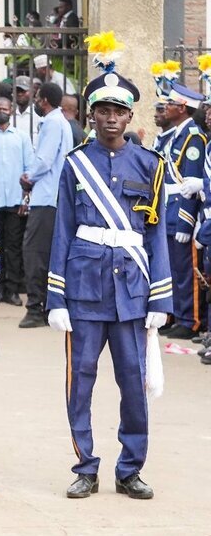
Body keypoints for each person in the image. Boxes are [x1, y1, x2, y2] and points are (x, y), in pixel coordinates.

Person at [47, 33, 169, 500]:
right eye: (103, 110)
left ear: (130, 115)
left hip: (132, 291)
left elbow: (154, 234)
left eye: (119, 111)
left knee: (133, 386)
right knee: (80, 382)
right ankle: (85, 466)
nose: (111, 118)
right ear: (92, 114)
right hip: (82, 288)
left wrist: (160, 296)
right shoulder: (76, 165)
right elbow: (62, 231)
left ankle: (130, 468)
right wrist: (55, 296)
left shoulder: (151, 165)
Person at [18, 81, 74, 328]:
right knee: (47, 253)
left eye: (38, 99)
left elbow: (45, 159)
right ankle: (47, 304)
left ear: (45, 101)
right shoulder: (60, 122)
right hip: (51, 197)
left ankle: (35, 308)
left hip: (46, 197)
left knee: (34, 253)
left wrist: (29, 176)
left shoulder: (52, 122)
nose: (36, 103)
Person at [153, 83, 205, 339]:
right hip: (168, 210)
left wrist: (186, 223)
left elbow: (191, 184)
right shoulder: (176, 134)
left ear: (183, 108)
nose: (166, 108)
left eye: (171, 104)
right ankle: (175, 315)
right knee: (173, 270)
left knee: (186, 271)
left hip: (181, 213)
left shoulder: (194, 138)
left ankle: (190, 319)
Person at [0, 95, 34, 307]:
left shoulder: (22, 137)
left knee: (13, 247)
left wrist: (27, 198)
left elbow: (29, 169)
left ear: (11, 110)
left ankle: (12, 289)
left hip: (16, 200)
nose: (1, 111)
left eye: (5, 108)